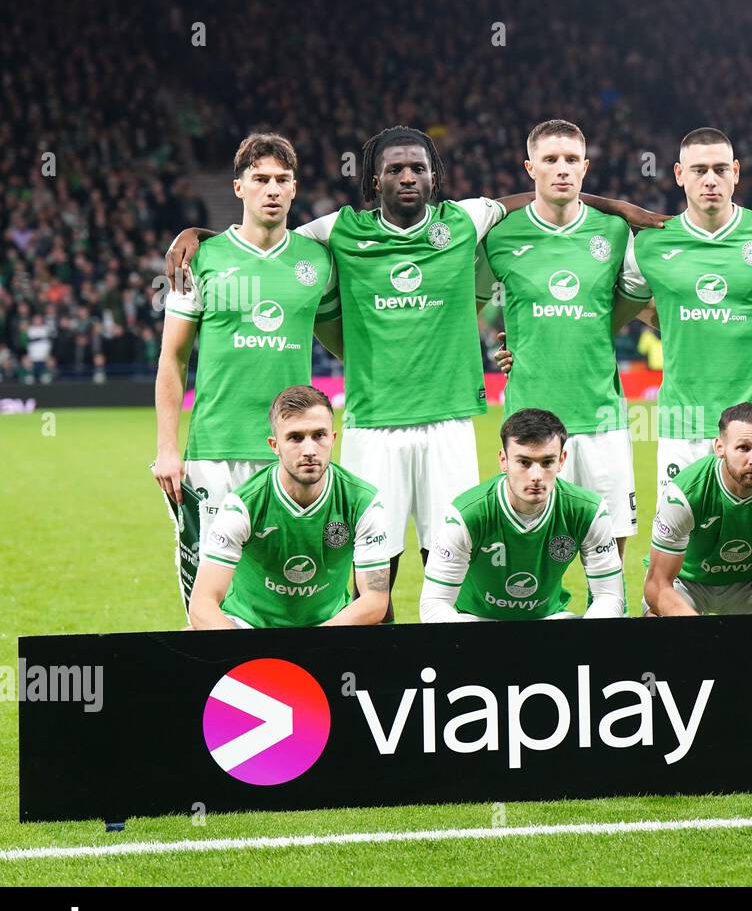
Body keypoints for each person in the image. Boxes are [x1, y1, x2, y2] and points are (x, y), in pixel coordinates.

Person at [167, 126, 664, 618]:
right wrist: (199, 237)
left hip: (448, 422)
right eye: (394, 169)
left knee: (451, 558)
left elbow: (535, 195)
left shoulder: (464, 222)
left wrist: (618, 208)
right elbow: (266, 239)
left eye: (418, 168)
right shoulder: (339, 231)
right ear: (374, 180)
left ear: (434, 176)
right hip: (372, 424)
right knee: (373, 568)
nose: (407, 177)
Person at [153, 133, 339, 610]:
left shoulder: (317, 259)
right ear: (239, 188)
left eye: (282, 180)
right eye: (260, 179)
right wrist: (168, 450)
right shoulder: (200, 260)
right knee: (207, 603)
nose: (272, 189)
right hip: (214, 452)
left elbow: (348, 337)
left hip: (291, 453)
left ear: (295, 188)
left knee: (287, 594)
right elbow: (172, 360)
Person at [476, 119, 644, 558]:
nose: (562, 168)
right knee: (526, 545)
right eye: (550, 160)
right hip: (530, 419)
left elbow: (629, 306)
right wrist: (512, 346)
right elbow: (467, 303)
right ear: (530, 168)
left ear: (585, 167)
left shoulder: (614, 231)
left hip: (601, 414)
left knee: (609, 546)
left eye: (571, 159)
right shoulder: (498, 236)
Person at [617, 128, 752, 491]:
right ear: (678, 174)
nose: (710, 180)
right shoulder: (651, 243)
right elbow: (625, 307)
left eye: (720, 169)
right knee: (675, 542)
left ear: (736, 172)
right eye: (699, 170)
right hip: (682, 422)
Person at [190, 385, 390, 629]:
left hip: (330, 628)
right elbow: (202, 604)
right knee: (187, 639)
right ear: (274, 445)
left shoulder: (363, 502)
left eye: (319, 435)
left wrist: (308, 646)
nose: (309, 450)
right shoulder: (242, 505)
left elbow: (375, 600)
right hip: (248, 628)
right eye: (295, 437)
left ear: (333, 439)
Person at [419, 408, 623, 622]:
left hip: (549, 621)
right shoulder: (466, 514)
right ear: (503, 460)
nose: (536, 476)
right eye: (524, 462)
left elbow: (609, 596)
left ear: (562, 460)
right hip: (474, 624)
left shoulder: (587, 511)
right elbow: (434, 604)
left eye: (547, 462)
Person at [644, 402, 752, 616]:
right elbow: (657, 585)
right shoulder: (684, 494)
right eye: (743, 448)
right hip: (688, 582)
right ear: (720, 447)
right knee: (656, 625)